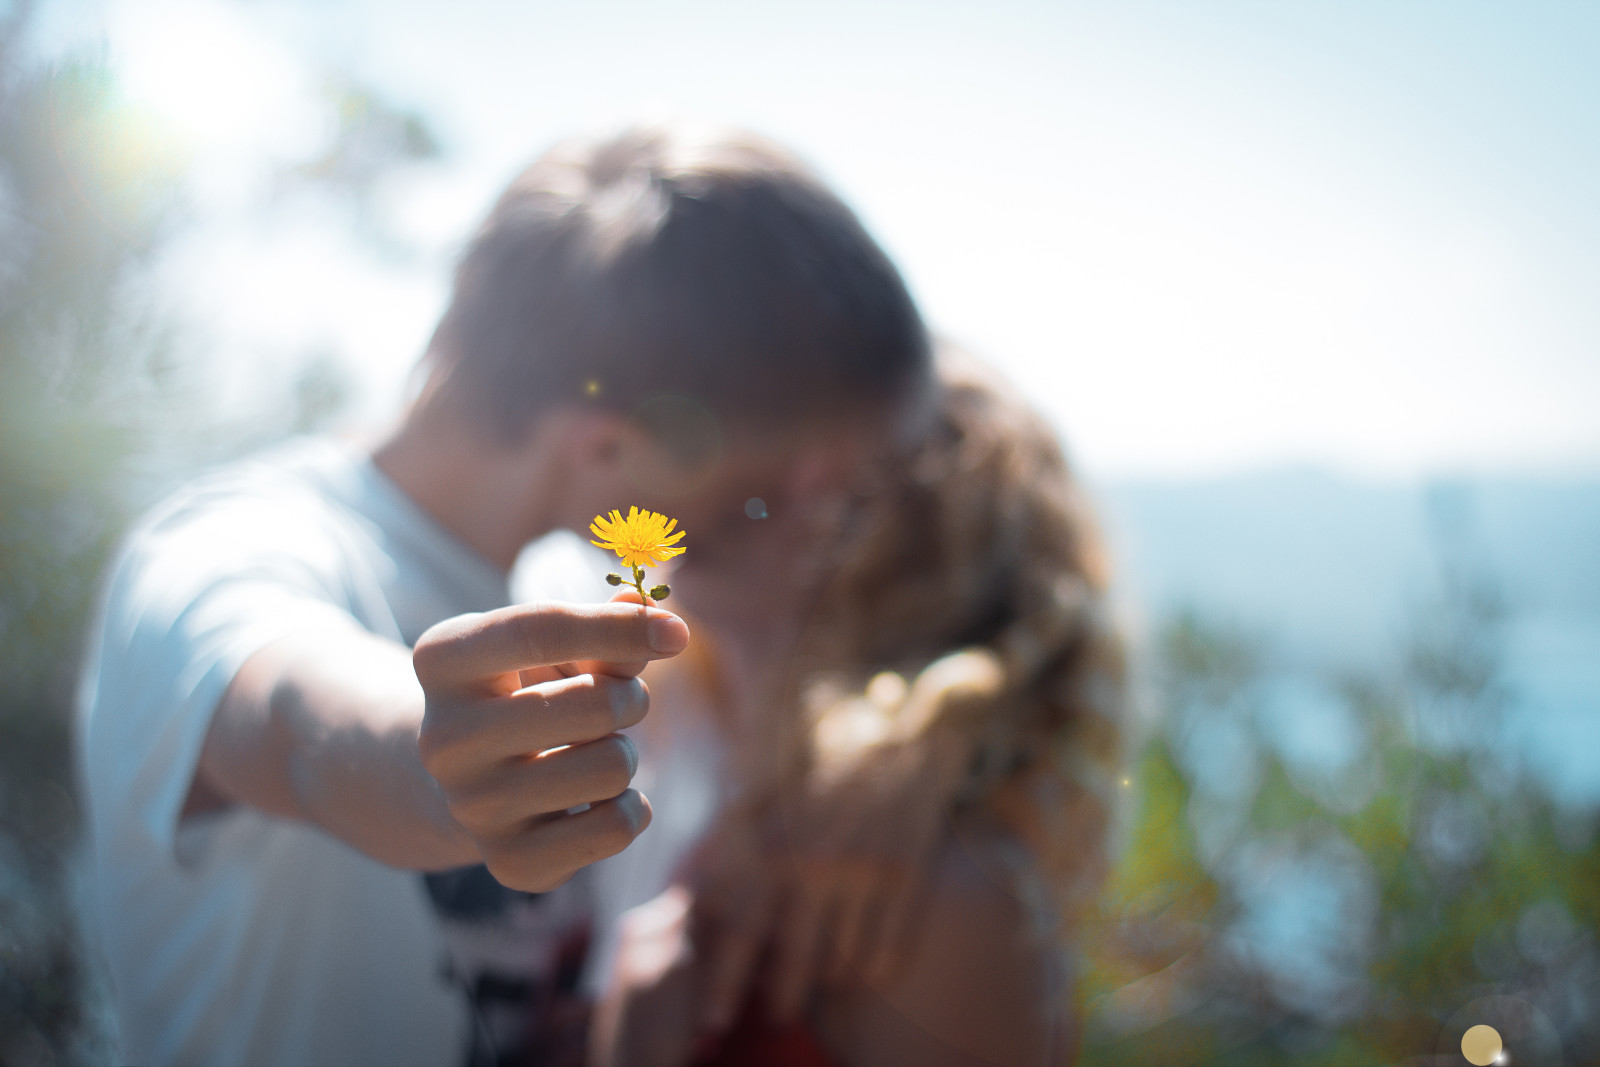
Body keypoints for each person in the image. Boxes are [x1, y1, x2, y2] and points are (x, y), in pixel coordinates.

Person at [75, 121, 932, 1067]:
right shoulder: (228, 556)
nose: (802, 521)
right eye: (769, 488)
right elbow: (292, 718)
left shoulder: (577, 583)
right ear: (608, 448)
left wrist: (892, 784)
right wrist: (433, 765)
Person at [587, 351, 1128, 1066]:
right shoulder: (674, 725)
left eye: (822, 459)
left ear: (925, 552)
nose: (743, 464)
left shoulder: (935, 903)